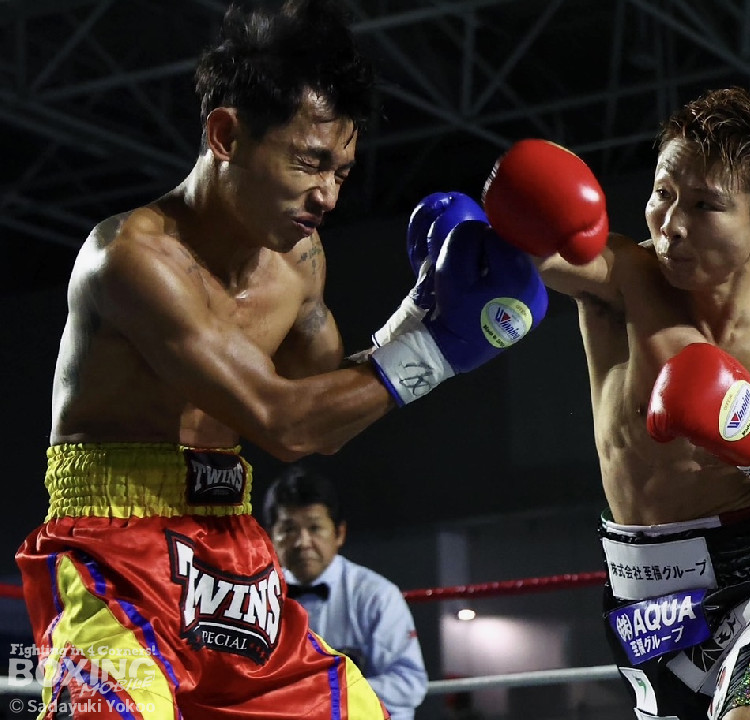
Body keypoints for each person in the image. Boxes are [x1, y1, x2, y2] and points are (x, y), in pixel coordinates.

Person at [14, 0, 547, 717]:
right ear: (227, 134)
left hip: (229, 543)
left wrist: (417, 315)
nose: (328, 194)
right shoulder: (133, 259)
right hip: (114, 547)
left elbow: (322, 414)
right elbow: (283, 421)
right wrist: (440, 348)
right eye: (309, 162)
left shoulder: (300, 260)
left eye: (343, 171)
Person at [482, 88, 750, 719]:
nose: (672, 224)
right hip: (644, 598)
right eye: (664, 193)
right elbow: (513, 254)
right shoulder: (621, 277)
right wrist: (496, 219)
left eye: (706, 205)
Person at [263, 464, 428, 720]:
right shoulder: (259, 598)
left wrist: (323, 695)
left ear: (339, 533)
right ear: (270, 538)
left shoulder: (376, 595)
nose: (302, 542)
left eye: (314, 528)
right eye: (288, 529)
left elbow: (408, 683)